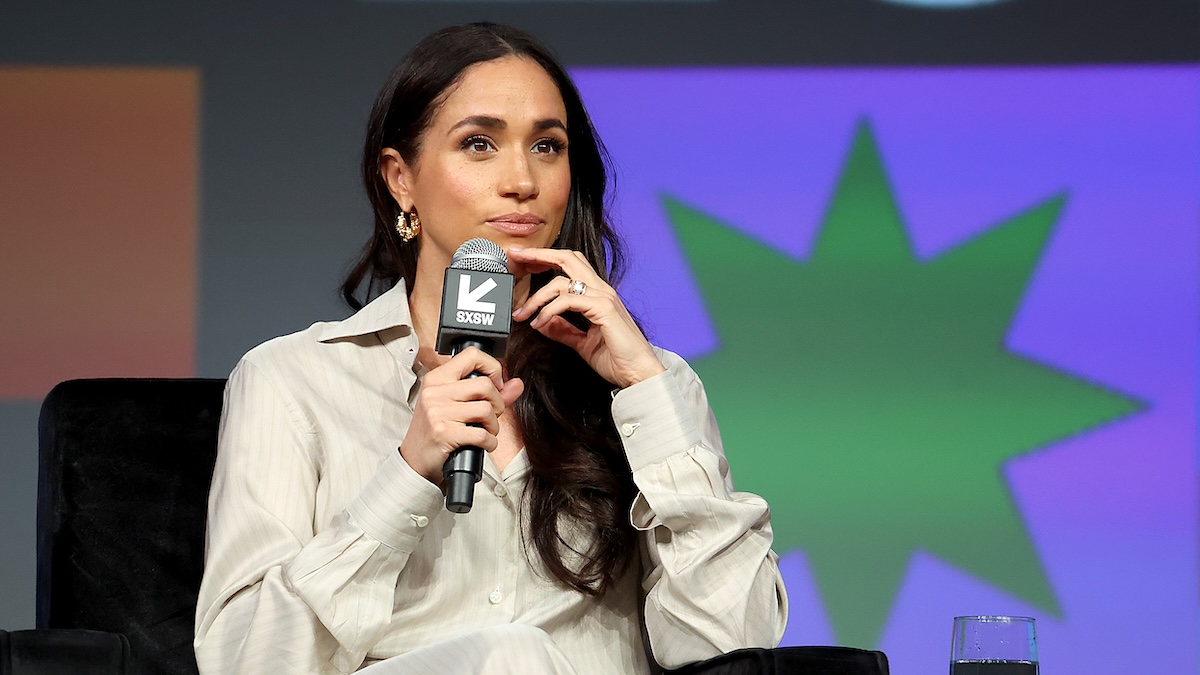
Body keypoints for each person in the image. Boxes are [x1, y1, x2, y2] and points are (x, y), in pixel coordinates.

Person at [193, 22, 786, 675]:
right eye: (479, 143)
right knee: (514, 656)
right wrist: (405, 474)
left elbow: (733, 646)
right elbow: (242, 659)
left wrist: (646, 388)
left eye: (547, 146)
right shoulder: (291, 379)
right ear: (401, 180)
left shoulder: (653, 387)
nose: (522, 179)